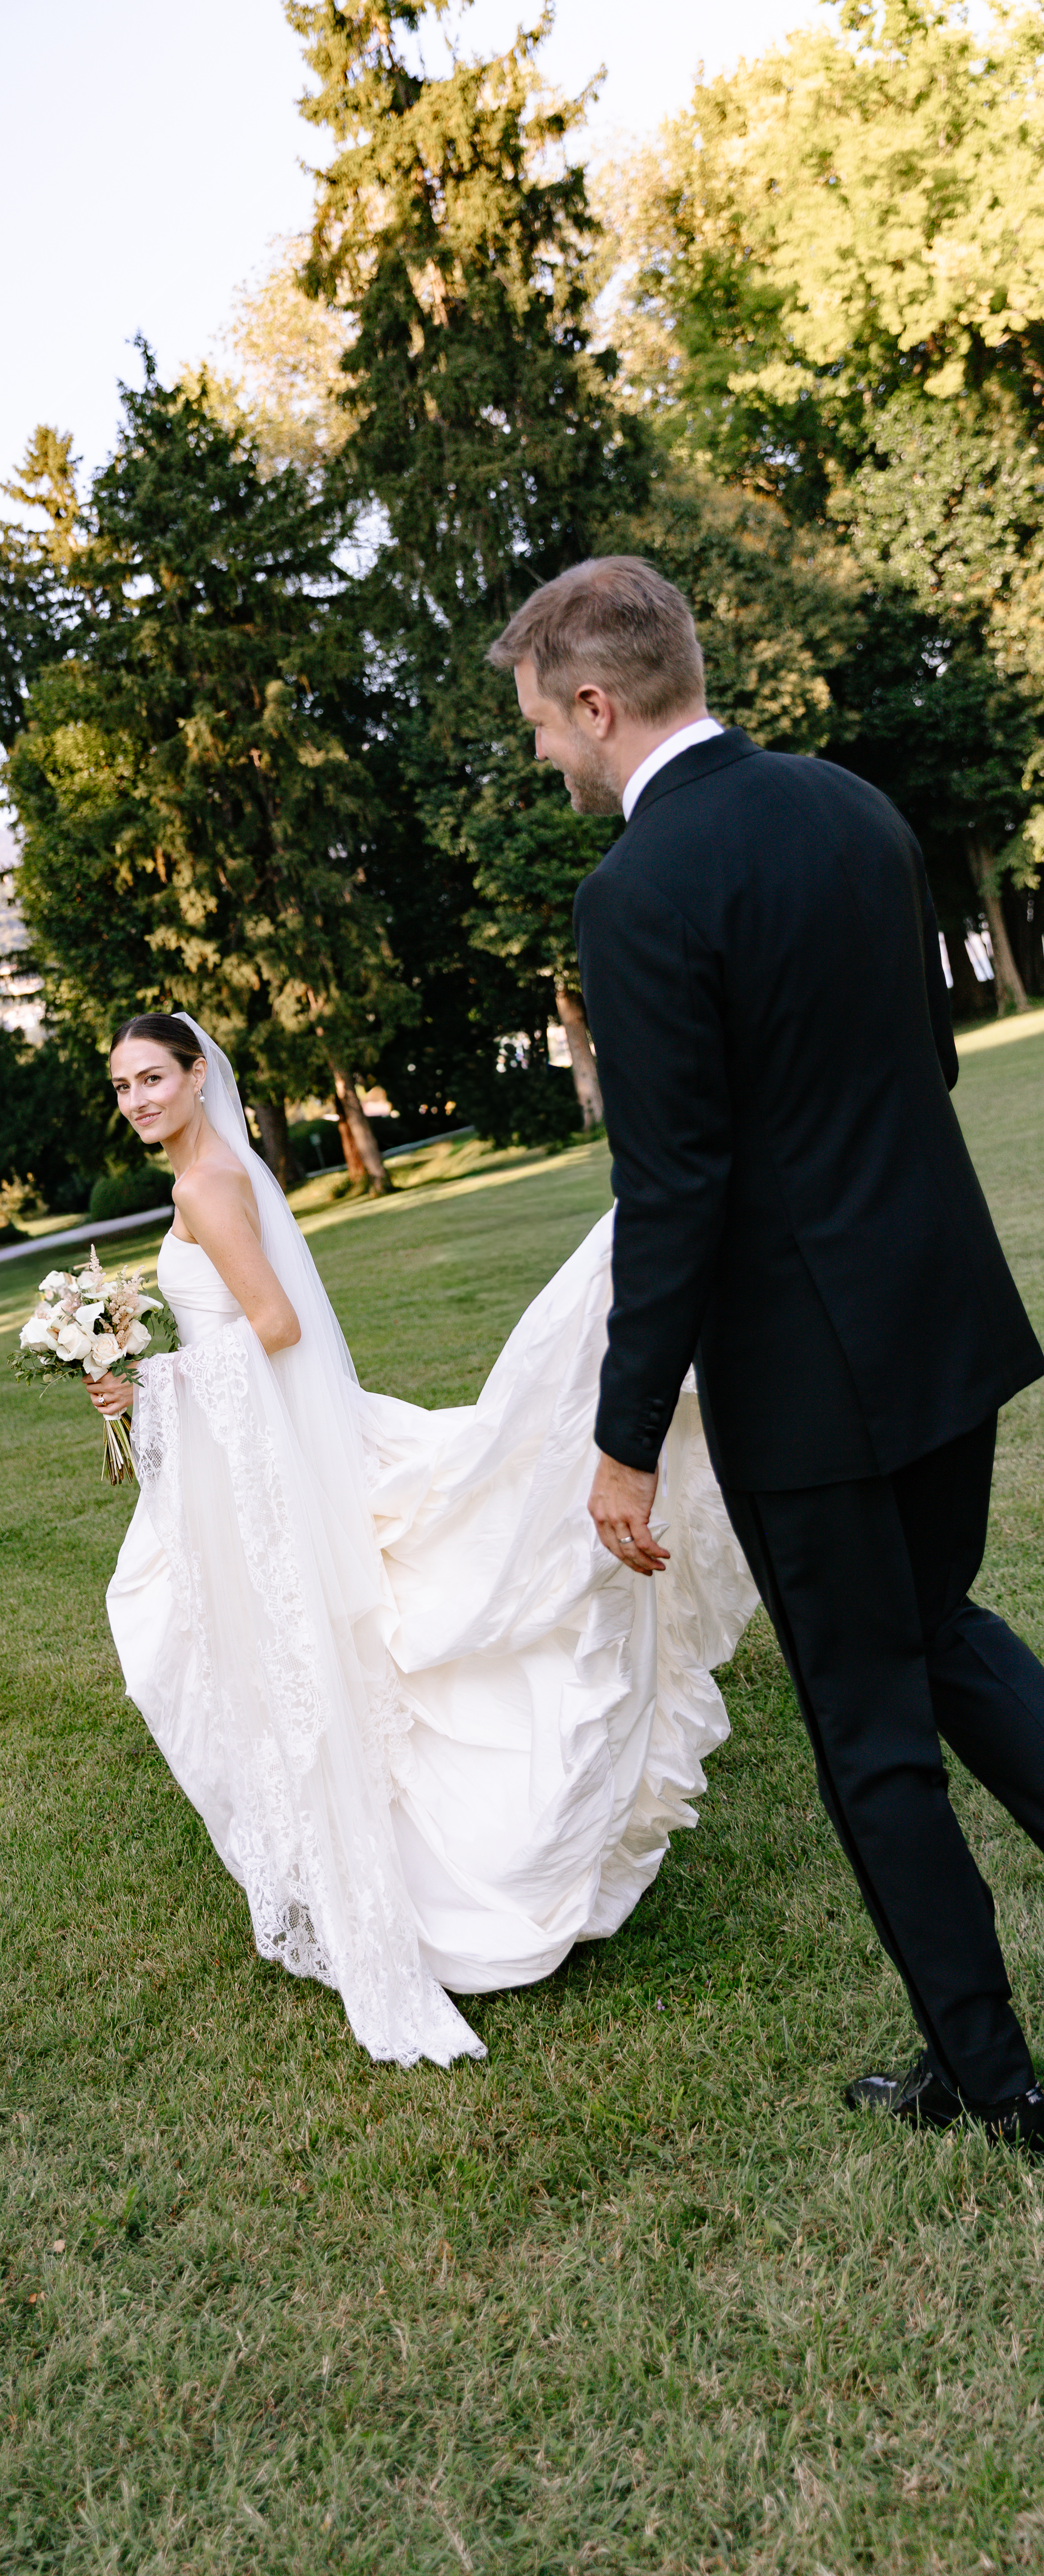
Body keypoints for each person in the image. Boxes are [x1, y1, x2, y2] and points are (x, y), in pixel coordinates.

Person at [487, 553, 1044, 2146]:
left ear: (600, 704)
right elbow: (928, 1057)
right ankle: (976, 2054)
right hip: (943, 1313)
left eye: (544, 726)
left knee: (872, 1728)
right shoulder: (853, 808)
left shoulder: (636, 893)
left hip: (816, 1380)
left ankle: (996, 2085)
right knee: (936, 1630)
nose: (546, 755)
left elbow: (674, 1190)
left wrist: (622, 1440)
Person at [91, 1009, 757, 2067]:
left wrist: (152, 1385)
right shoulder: (217, 1174)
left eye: (151, 1079)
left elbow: (274, 1328)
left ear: (196, 1078)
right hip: (264, 1446)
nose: (136, 1100)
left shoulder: (204, 1186)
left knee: (244, 1631)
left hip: (267, 1448)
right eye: (123, 1086)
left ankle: (437, 1880)